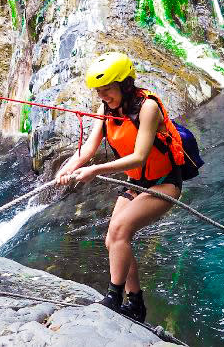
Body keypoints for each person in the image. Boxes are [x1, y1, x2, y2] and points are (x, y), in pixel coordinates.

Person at [54, 52, 185, 322]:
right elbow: (88, 149)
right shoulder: (106, 110)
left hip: (165, 183)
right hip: (136, 182)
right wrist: (66, 169)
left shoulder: (148, 108)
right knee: (112, 240)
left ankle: (113, 298)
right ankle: (135, 303)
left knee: (119, 230)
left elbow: (139, 157)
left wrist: (96, 171)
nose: (103, 96)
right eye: (99, 92)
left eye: (108, 90)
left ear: (125, 84)